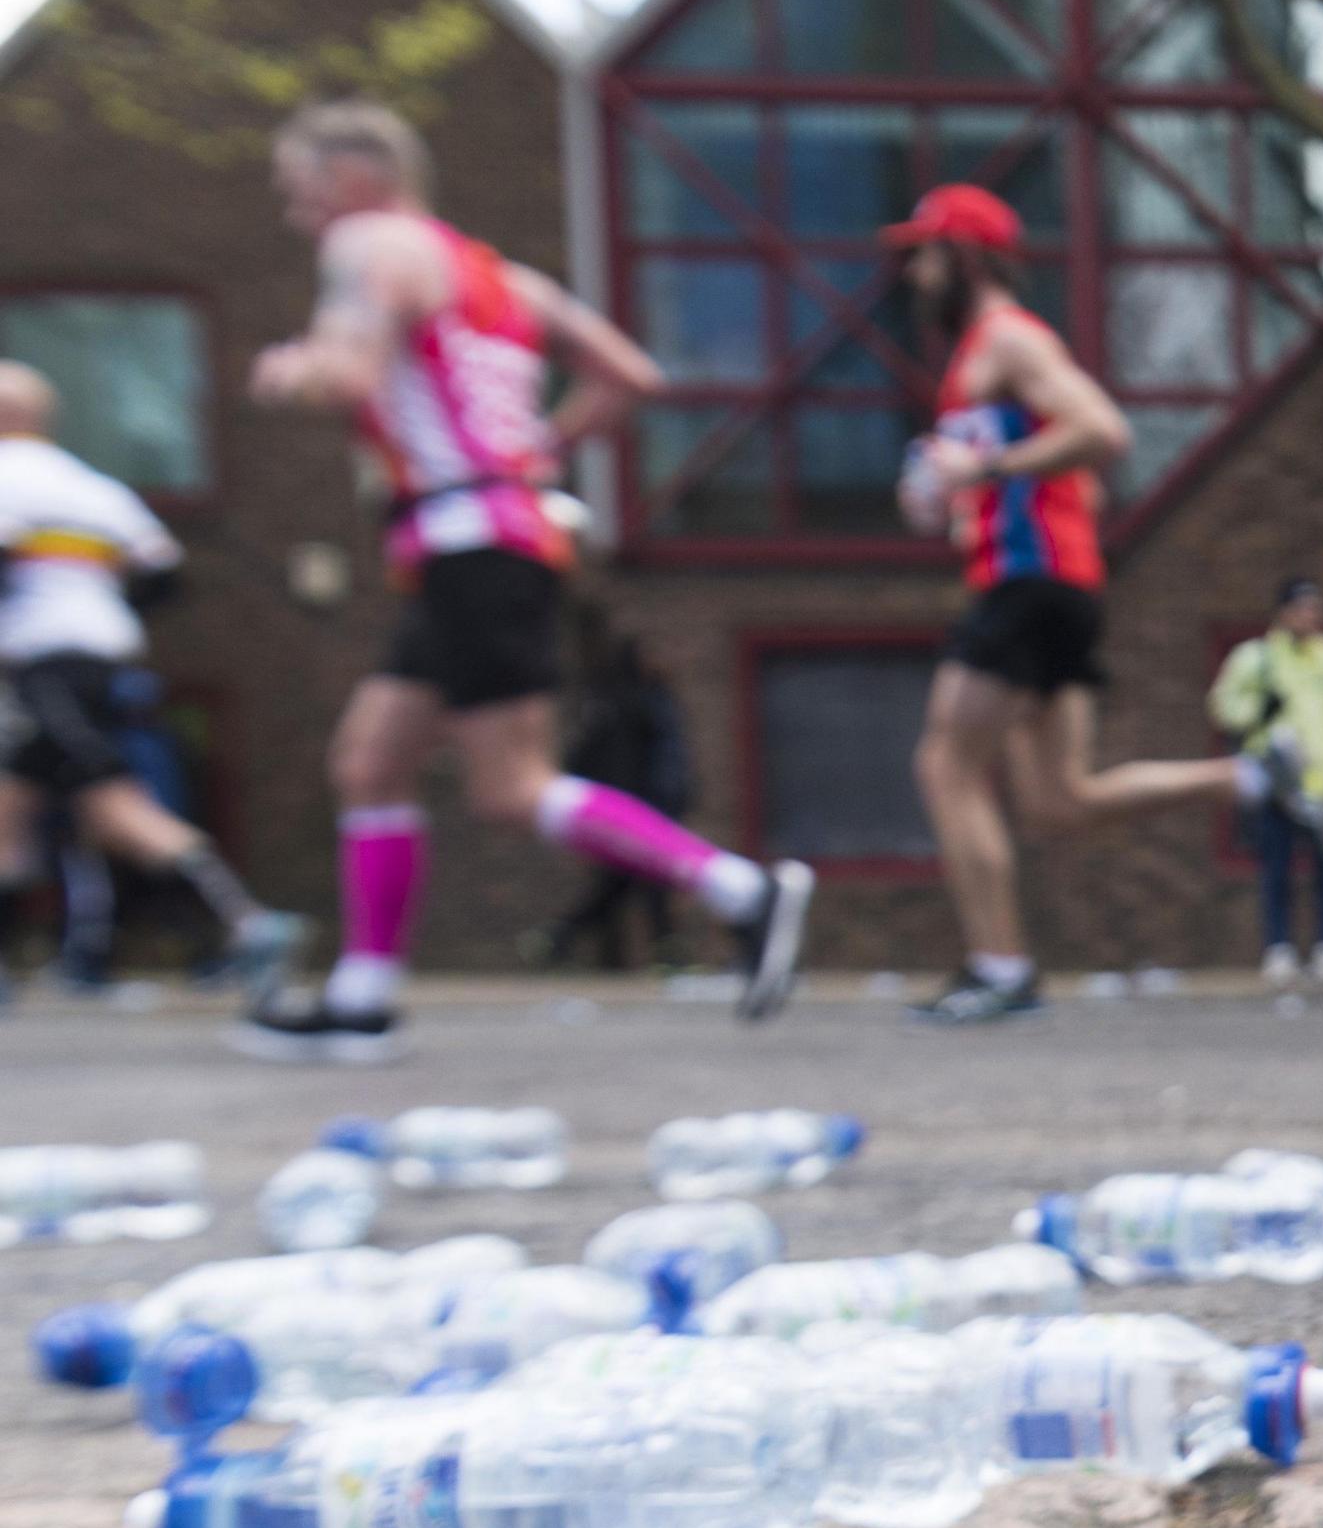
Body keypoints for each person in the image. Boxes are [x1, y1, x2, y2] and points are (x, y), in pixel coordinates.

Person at [237, 101, 807, 1064]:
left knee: (510, 786)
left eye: (299, 192)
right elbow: (631, 375)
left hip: (472, 542)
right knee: (371, 761)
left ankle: (738, 891)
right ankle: (363, 999)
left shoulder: (371, 243)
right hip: (479, 538)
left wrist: (287, 370)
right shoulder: (503, 280)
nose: (298, 216)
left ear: (350, 178)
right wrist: (538, 447)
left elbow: (343, 376)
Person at [887, 183, 1263, 1027]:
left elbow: (1102, 428)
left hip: (1029, 585)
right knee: (1060, 800)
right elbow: (1079, 487)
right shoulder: (986, 362)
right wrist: (964, 504)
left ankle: (1000, 967)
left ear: (966, 257)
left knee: (946, 765)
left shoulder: (1010, 341)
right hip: (1053, 581)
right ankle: (1243, 779)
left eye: (927, 252)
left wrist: (983, 478)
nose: (913, 272)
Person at [0, 360, 299, 1006]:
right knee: (14, 808)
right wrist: (109, 610)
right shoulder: (95, 487)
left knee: (115, 807)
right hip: (103, 661)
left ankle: (246, 924)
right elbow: (164, 570)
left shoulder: (7, 477)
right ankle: (66, 960)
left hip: (46, 665)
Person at [1208, 576, 1323, 988]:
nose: (1310, 617)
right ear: (1282, 614)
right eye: (1301, 608)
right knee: (1276, 868)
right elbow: (1224, 708)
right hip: (1277, 783)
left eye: (1316, 609)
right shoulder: (1257, 658)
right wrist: (1258, 710)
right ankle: (1278, 949)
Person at [533, 631, 696, 972]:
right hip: (638, 807)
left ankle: (558, 938)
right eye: (651, 654)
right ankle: (666, 954)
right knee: (640, 882)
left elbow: (672, 760)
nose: (659, 661)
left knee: (627, 885)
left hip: (654, 804)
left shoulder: (652, 700)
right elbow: (607, 759)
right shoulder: (627, 704)